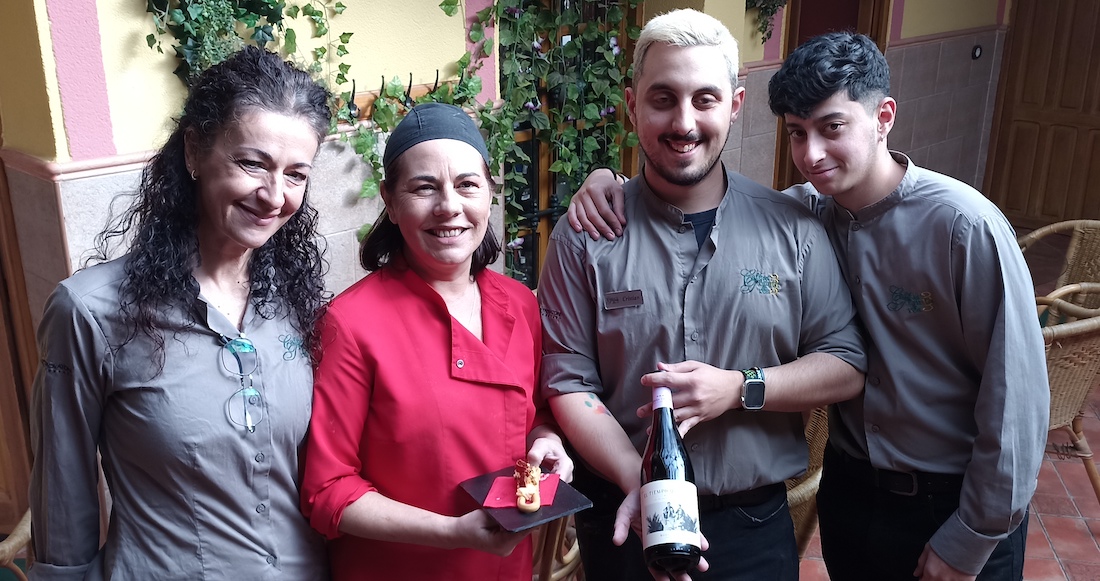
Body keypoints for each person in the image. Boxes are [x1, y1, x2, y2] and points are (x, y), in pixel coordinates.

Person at [569, 31, 1050, 581]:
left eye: (832, 128)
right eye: (798, 133)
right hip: (852, 497)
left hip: (952, 502)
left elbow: (1017, 404)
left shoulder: (963, 226)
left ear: (884, 117)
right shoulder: (804, 214)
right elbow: (706, 196)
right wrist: (607, 181)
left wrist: (971, 538)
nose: (812, 154)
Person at [538, 10, 867, 581]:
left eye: (705, 99)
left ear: (735, 105)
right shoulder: (586, 235)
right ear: (631, 104)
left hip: (751, 526)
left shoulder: (793, 231)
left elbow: (846, 363)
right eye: (662, 98)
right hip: (622, 518)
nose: (684, 122)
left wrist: (741, 387)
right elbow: (568, 382)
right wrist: (642, 481)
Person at [29, 46, 331, 579]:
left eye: (296, 175)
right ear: (194, 151)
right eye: (252, 163)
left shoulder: (292, 300)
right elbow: (63, 499)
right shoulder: (92, 312)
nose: (274, 195)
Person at [299, 102, 574, 581]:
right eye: (424, 187)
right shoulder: (350, 324)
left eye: (467, 184)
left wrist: (546, 441)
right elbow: (328, 491)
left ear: (489, 191)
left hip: (507, 568)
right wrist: (453, 532)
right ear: (390, 201)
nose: (449, 206)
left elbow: (534, 414)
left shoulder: (519, 303)